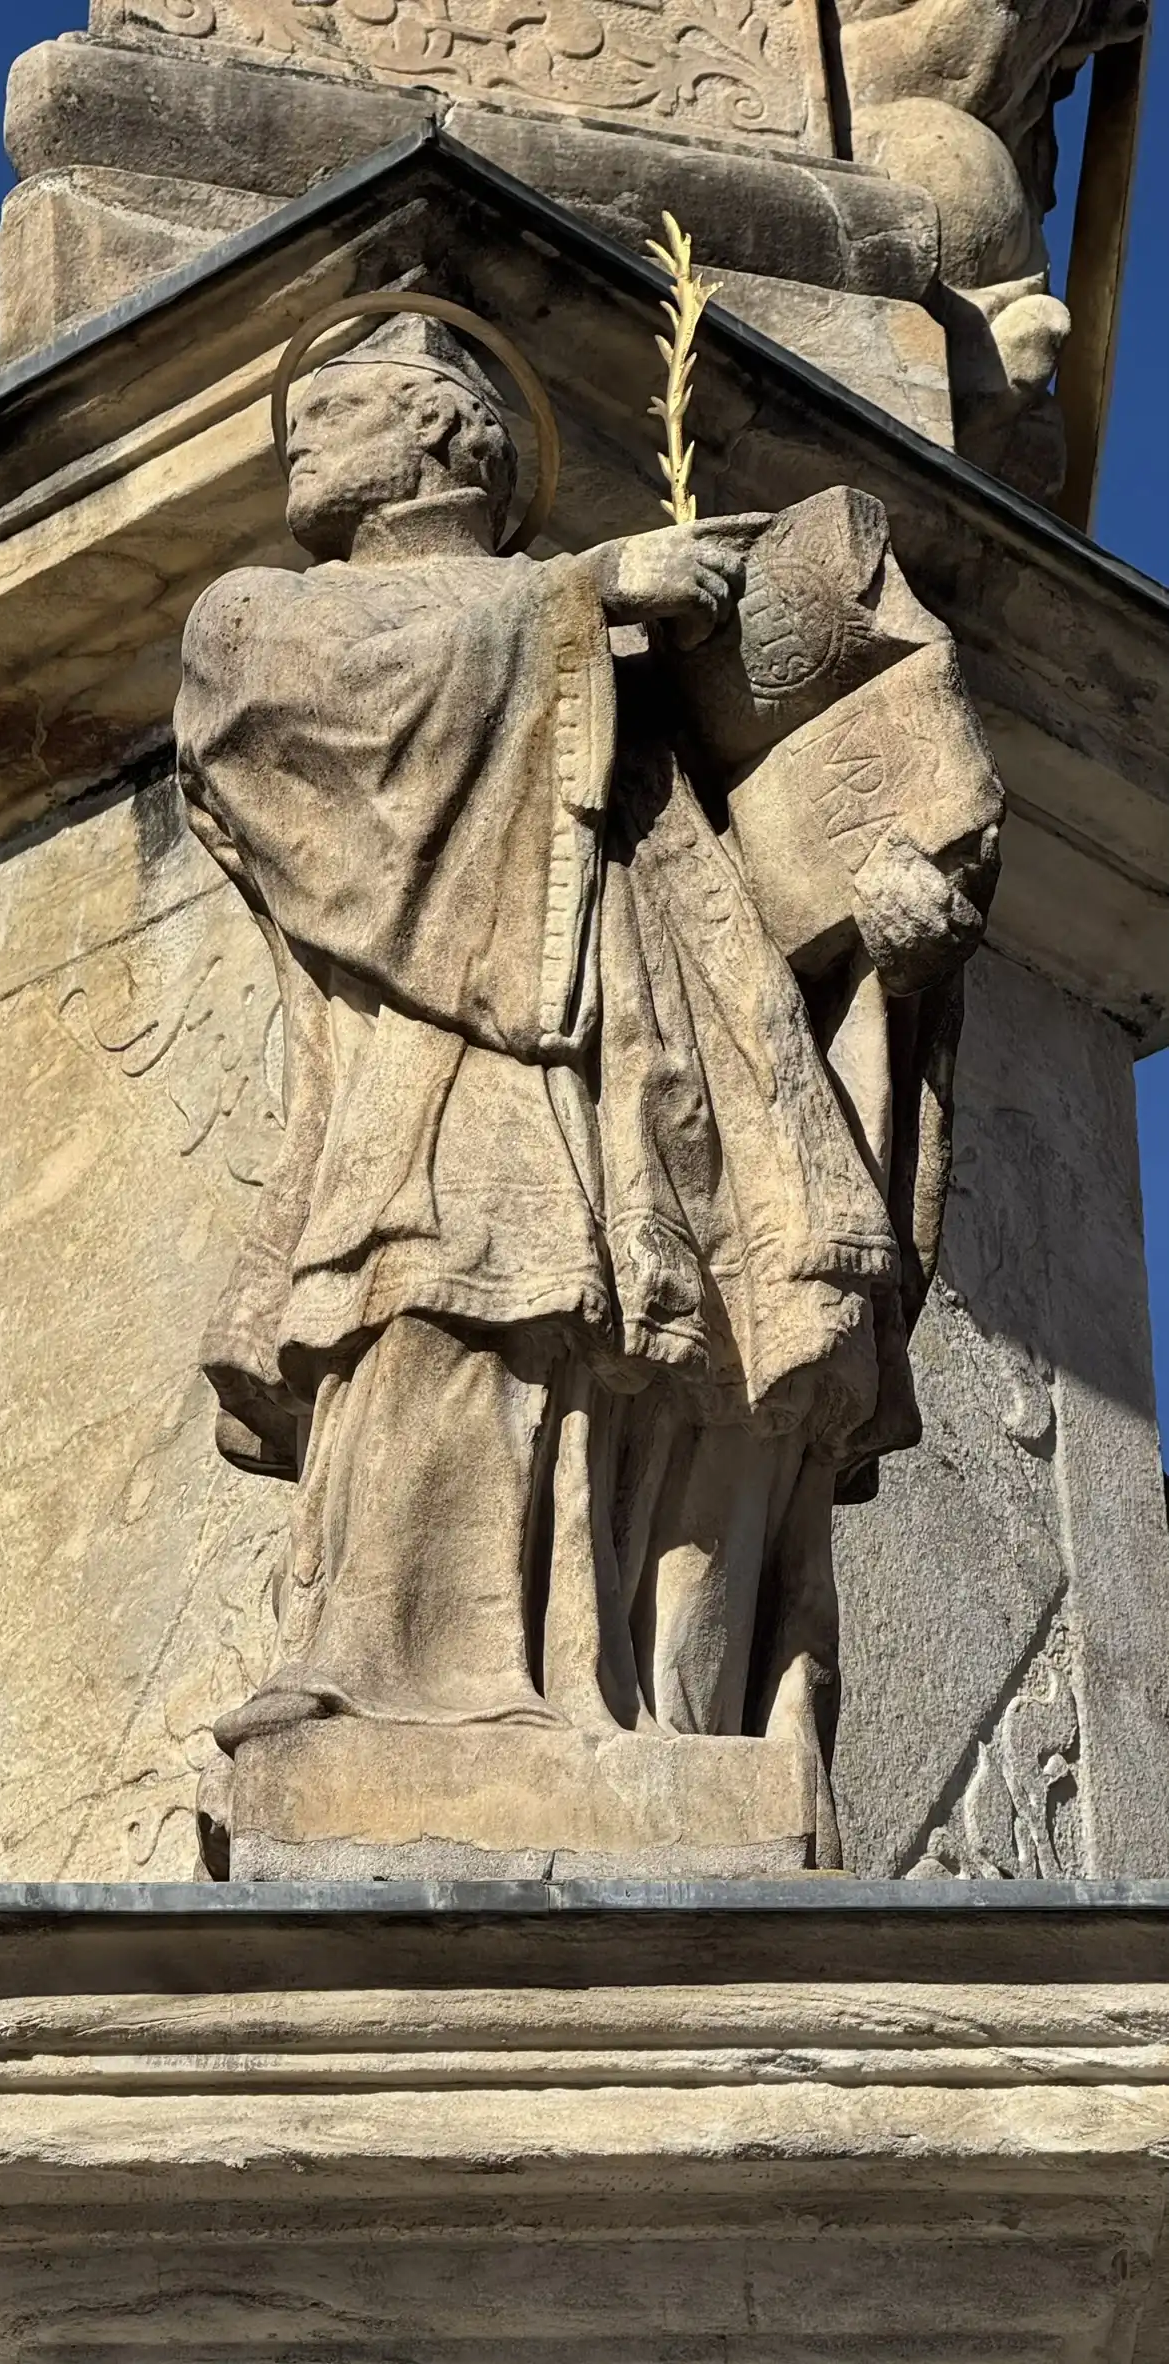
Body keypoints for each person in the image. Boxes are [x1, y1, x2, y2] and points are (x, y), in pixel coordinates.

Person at [175, 312, 1001, 1868]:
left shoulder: (615, 685)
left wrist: (893, 950)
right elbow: (274, 712)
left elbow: (759, 921)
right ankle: (399, 1682)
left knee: (671, 1349)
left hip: (664, 1083)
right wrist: (580, 593)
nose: (300, 431)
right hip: (454, 1056)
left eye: (342, 405)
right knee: (441, 1308)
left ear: (453, 439)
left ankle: (643, 1712)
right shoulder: (267, 616)